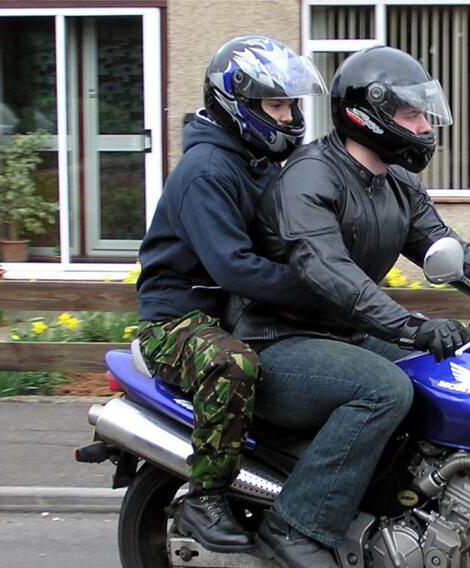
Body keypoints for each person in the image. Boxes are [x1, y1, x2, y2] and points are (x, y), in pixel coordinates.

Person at [226, 46, 470, 567]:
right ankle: (293, 525)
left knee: (453, 374)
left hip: (339, 335)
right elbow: (329, 272)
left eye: (423, 115)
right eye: (411, 115)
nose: (422, 127)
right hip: (276, 340)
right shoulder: (309, 177)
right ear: (366, 114)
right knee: (383, 390)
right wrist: (412, 326)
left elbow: (456, 256)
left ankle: (406, 512)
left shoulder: (397, 183)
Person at [134, 35, 327, 553]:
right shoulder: (207, 171)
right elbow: (236, 268)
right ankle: (205, 496)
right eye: (277, 105)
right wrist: (318, 292)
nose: (289, 117)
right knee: (232, 366)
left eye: (291, 104)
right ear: (237, 105)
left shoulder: (255, 162)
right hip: (178, 320)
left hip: (236, 312)